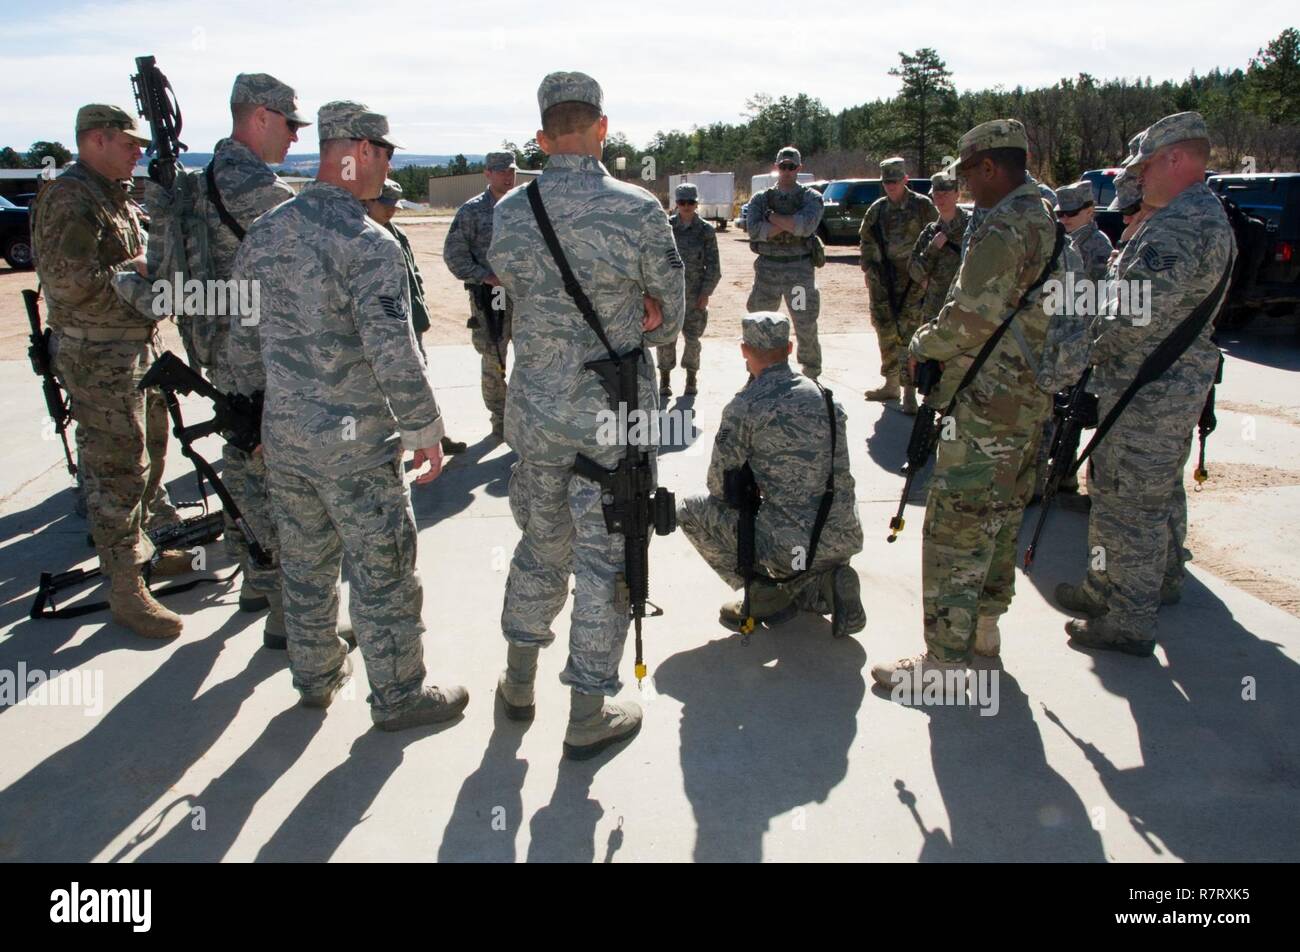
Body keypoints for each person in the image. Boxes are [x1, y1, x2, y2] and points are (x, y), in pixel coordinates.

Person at [229, 101, 468, 729]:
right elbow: (395, 354)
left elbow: (241, 341)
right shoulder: (368, 241)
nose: (388, 164)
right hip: (355, 448)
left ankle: (313, 677)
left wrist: (252, 425)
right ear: (359, 152)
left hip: (286, 441)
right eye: (386, 152)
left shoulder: (267, 230)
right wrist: (425, 430)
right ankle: (399, 696)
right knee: (383, 571)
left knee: (306, 568)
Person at [488, 71, 684, 760]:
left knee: (540, 548)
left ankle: (516, 686)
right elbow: (671, 319)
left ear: (541, 136)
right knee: (604, 563)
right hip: (613, 421)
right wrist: (646, 313)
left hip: (539, 416)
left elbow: (507, 286)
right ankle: (587, 714)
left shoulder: (510, 212)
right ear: (603, 128)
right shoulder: (638, 210)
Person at [871, 119, 1067, 690]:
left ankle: (946, 663)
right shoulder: (1045, 217)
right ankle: (983, 632)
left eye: (967, 175)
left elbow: (969, 315)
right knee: (1001, 517)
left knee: (957, 525)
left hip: (987, 401)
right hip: (1027, 398)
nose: (963, 187)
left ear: (989, 167)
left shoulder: (1007, 225)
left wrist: (920, 345)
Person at [1056, 112, 1236, 656]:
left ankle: (1128, 620)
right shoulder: (1177, 215)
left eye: (1145, 166)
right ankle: (1121, 585)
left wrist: (1072, 355)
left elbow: (1132, 315)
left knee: (1128, 503)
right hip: (1149, 383)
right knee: (1131, 491)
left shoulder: (1185, 224)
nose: (1137, 179)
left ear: (1175, 159)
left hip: (1150, 387)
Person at [31, 104, 192, 640]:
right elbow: (71, 280)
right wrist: (141, 270)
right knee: (117, 467)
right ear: (96, 140)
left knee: (150, 454)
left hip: (131, 348)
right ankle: (124, 587)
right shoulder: (71, 197)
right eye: (129, 143)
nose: (138, 152)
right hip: (99, 355)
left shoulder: (110, 195)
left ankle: (140, 555)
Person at [677, 312, 865, 636]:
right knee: (802, 541)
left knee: (689, 510)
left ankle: (763, 591)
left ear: (743, 350)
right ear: (790, 347)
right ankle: (828, 580)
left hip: (789, 546)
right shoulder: (826, 396)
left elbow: (718, 486)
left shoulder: (745, 406)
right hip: (843, 533)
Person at [201, 73, 305, 641]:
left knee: (241, 460)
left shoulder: (201, 180)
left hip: (222, 351)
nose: (293, 138)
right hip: (262, 357)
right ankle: (291, 617)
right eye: (290, 124)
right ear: (260, 117)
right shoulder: (251, 185)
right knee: (279, 481)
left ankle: (255, 582)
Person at [366, 178, 467, 454]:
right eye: (386, 205)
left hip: (410, 321)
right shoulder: (364, 239)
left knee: (419, 376)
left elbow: (413, 277)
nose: (392, 211)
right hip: (385, 327)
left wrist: (421, 311)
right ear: (369, 201)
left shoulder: (397, 234)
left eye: (394, 206)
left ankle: (432, 435)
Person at [444, 151, 519, 442]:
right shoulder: (472, 211)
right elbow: (454, 255)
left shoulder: (525, 207)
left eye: (510, 170)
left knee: (533, 356)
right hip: (492, 297)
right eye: (500, 171)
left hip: (526, 297)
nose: (507, 176)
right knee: (494, 358)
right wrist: (485, 276)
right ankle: (500, 418)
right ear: (487, 174)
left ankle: (526, 416)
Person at [860, 157, 937, 411]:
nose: (890, 186)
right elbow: (866, 241)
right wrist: (871, 271)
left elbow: (936, 238)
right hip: (884, 280)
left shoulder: (922, 206)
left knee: (910, 333)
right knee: (885, 331)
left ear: (905, 180)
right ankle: (891, 384)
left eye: (894, 181)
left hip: (914, 280)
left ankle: (910, 391)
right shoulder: (877, 210)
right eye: (886, 181)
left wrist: (927, 275)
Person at [743, 146, 824, 379]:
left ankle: (811, 374)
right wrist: (790, 223)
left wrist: (772, 218)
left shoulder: (810, 197)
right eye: (783, 166)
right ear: (776, 167)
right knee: (759, 323)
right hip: (768, 270)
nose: (786, 171)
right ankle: (755, 373)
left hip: (798, 270)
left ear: (799, 168)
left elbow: (806, 227)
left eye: (791, 166)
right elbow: (755, 231)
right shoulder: (761, 198)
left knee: (804, 322)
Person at [905, 171, 969, 415]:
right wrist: (932, 250)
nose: (940, 198)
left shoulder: (972, 227)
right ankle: (933, 417)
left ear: (957, 194)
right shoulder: (930, 232)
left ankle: (954, 418)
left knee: (960, 364)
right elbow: (913, 269)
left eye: (946, 192)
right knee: (932, 365)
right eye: (936, 194)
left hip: (964, 308)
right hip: (934, 308)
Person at [657, 182, 720, 398]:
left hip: (695, 296)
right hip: (669, 296)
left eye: (690, 202)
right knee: (666, 340)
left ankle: (691, 379)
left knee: (693, 340)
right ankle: (664, 379)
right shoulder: (665, 227)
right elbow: (655, 261)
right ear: (676, 203)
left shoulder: (705, 231)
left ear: (696, 204)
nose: (686, 206)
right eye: (682, 202)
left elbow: (714, 266)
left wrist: (705, 294)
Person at [1056, 180, 1114, 281]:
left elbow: (1100, 287)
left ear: (1089, 212)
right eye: (1060, 214)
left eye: (1071, 212)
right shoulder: (1064, 239)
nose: (1064, 218)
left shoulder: (1099, 244)